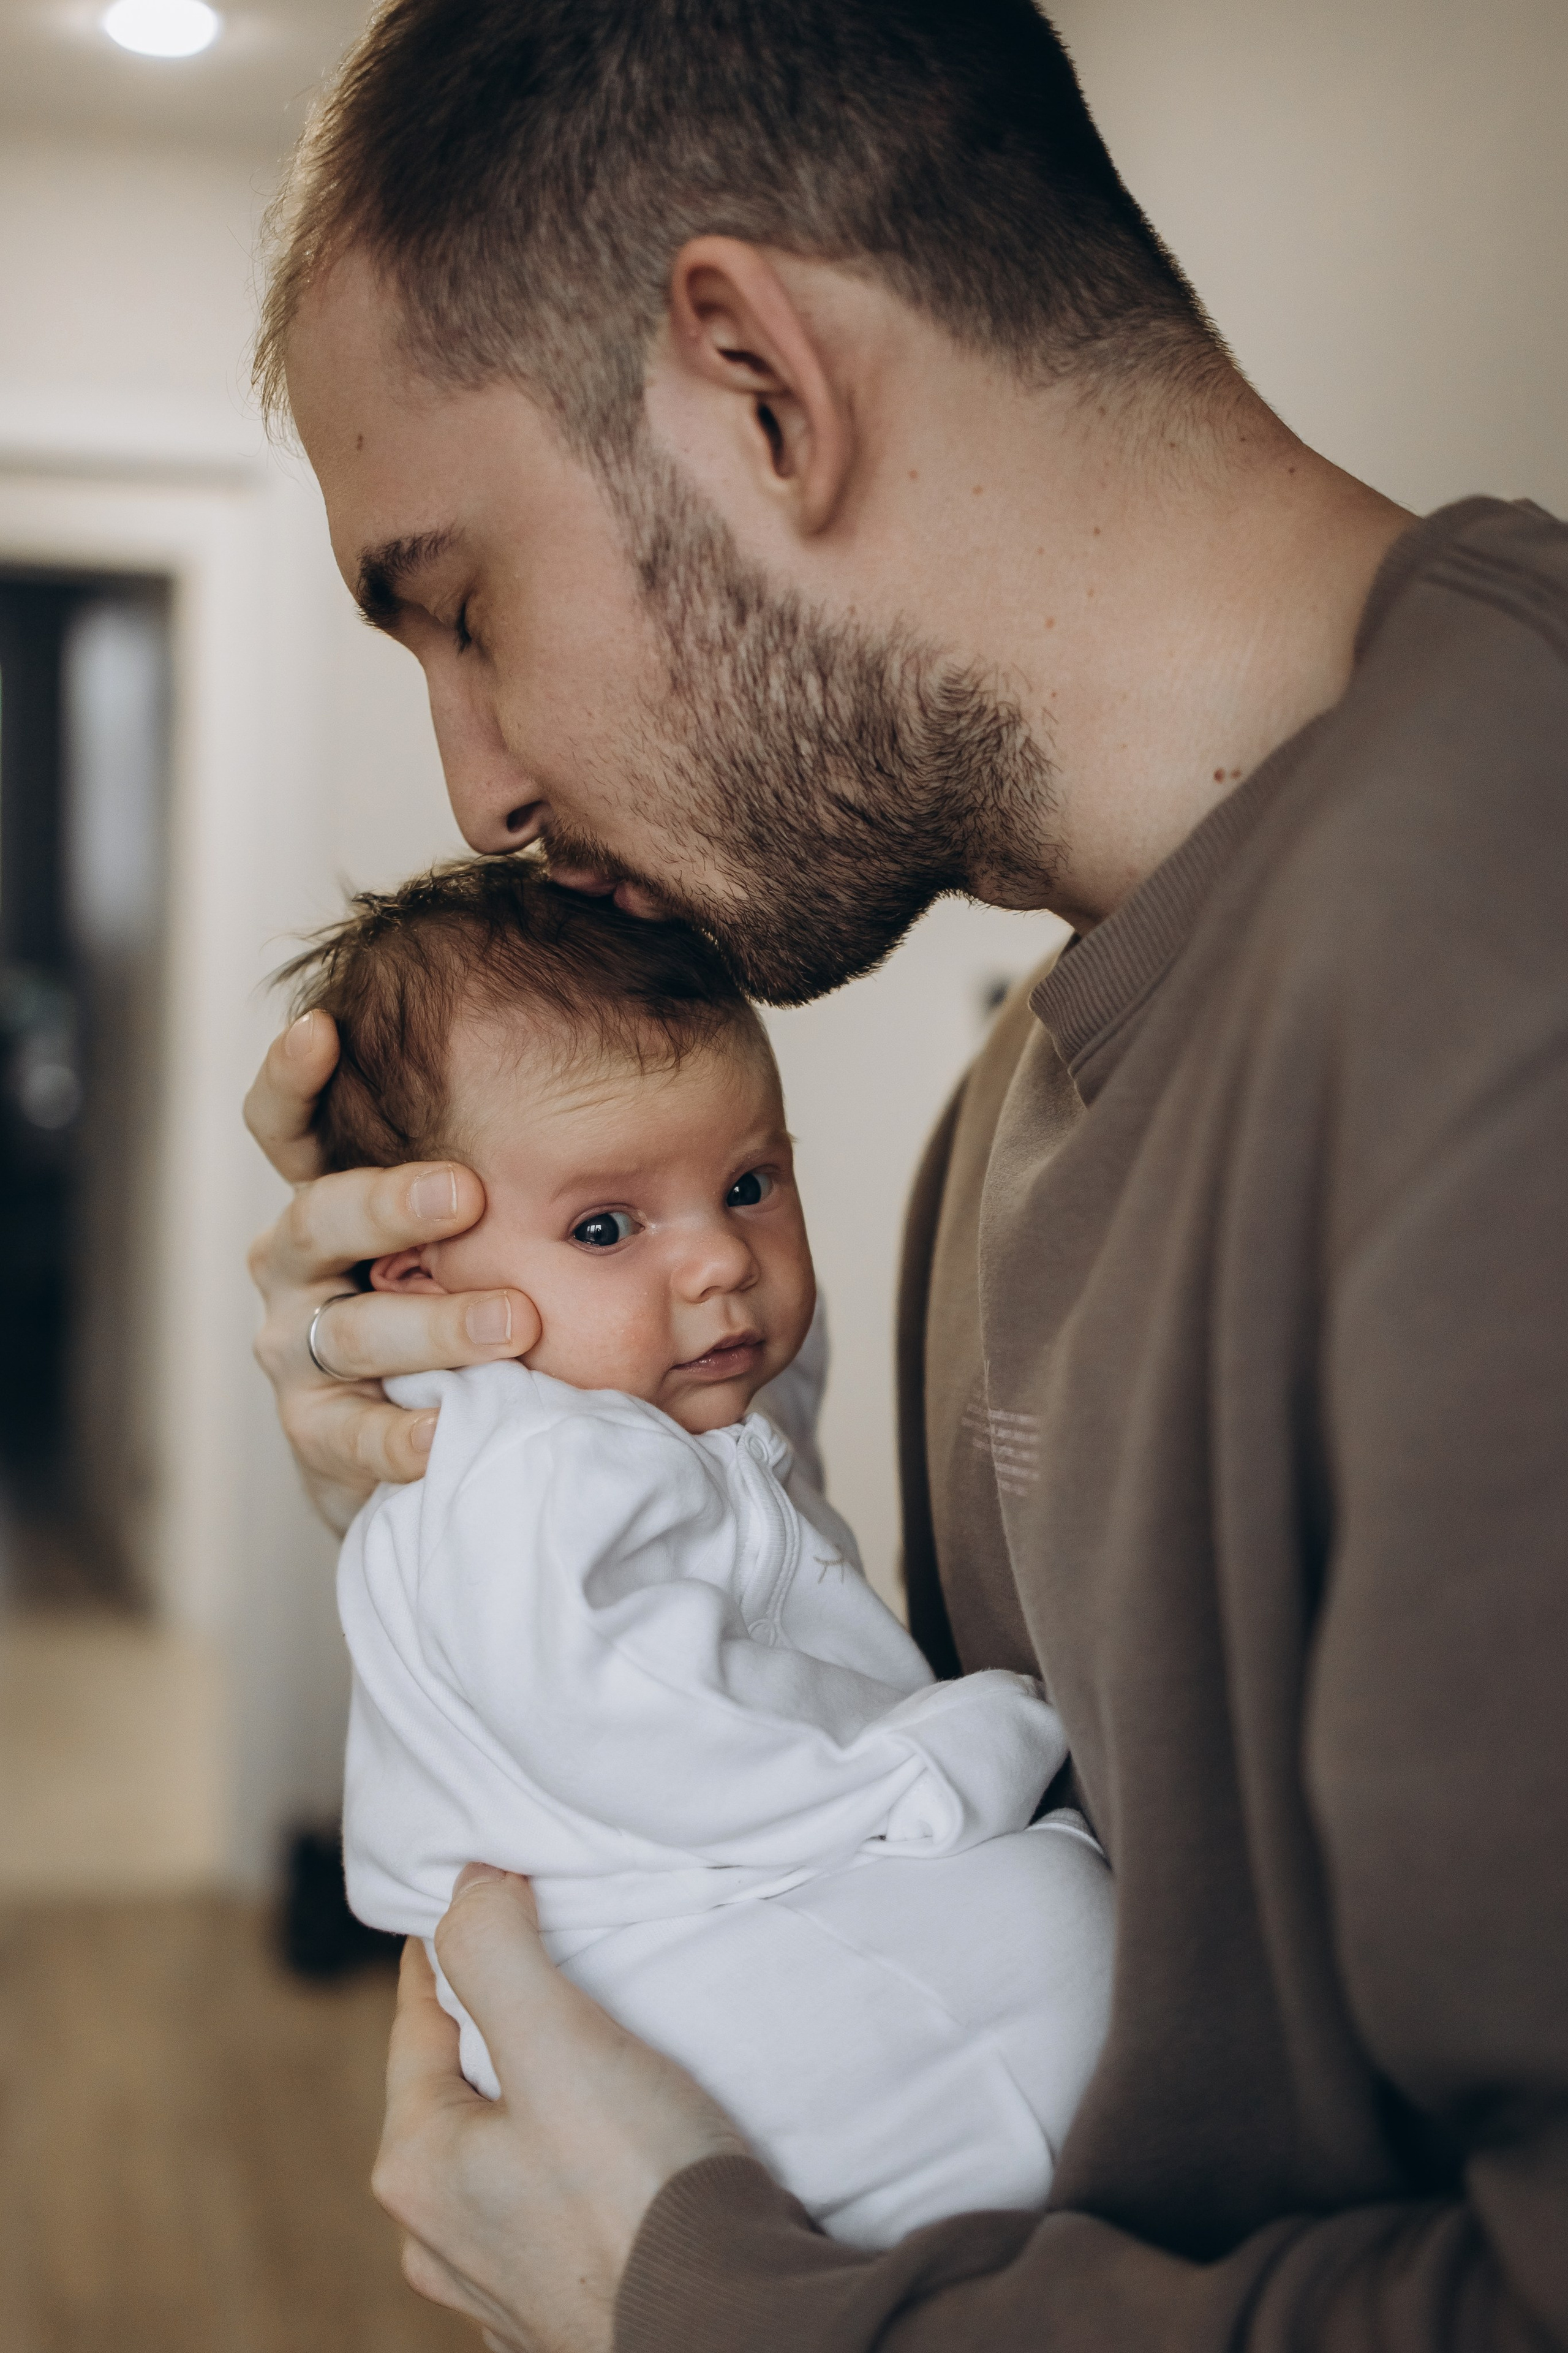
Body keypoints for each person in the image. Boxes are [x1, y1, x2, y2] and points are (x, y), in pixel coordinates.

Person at [241, 1, 1568, 2346]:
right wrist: (501, 1472)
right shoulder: (998, 1136)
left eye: (462, 608)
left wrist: (713, 2305)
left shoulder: (1512, 982)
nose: (479, 790)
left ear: (759, 383)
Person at [295, 855, 1111, 2248]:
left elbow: (768, 1431)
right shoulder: (540, 1462)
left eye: (748, 1182)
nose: (716, 1264)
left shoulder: (628, 1401)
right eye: (605, 1225)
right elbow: (630, 1714)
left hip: (705, 1911)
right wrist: (919, 1773)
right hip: (655, 1955)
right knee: (1056, 1934)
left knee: (1053, 1943)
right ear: (420, 1278)